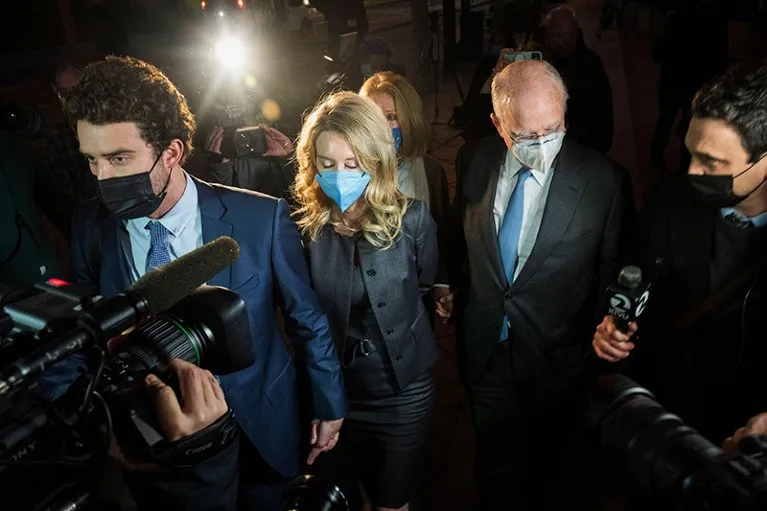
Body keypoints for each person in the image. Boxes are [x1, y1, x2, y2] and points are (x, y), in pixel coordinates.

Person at [48, 56, 347, 510]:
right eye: (91, 160)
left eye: (118, 158)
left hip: (257, 425)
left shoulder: (259, 218)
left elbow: (306, 319)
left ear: (171, 152)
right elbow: (85, 328)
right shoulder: (90, 224)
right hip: (155, 441)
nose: (101, 178)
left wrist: (329, 403)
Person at [450, 60, 635, 510]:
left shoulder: (604, 181)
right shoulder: (472, 160)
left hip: (558, 359)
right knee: (493, 467)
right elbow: (459, 240)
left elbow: (619, 268)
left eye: (553, 129)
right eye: (527, 136)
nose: (543, 145)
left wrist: (614, 319)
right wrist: (447, 288)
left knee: (554, 472)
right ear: (498, 124)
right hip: (486, 350)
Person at [593, 65, 767, 447]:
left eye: (711, 162)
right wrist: (614, 317)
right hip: (665, 410)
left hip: (740, 432)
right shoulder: (668, 199)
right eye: (689, 152)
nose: (691, 172)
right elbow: (634, 268)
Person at [292, 92, 438, 511]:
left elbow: (424, 287)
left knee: (392, 502)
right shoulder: (300, 229)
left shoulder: (413, 219)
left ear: (375, 160)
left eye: (352, 164)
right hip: (333, 393)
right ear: (312, 164)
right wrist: (324, 398)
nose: (339, 174)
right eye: (327, 164)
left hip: (403, 392)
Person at [359, 71, 452, 322]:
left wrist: (440, 285)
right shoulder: (347, 170)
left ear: (409, 120)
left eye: (391, 117)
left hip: (415, 298)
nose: (381, 127)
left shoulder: (431, 171)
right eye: (373, 117)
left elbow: (441, 231)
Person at [543, 6, 614, 154]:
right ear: (548, 36)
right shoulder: (540, 65)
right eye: (559, 35)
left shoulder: (591, 64)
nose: (566, 40)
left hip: (585, 150)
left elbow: (604, 109)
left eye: (570, 34)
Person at [46, 61, 99, 207]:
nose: (75, 98)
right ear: (56, 91)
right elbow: (67, 197)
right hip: (95, 222)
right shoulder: (59, 140)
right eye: (66, 93)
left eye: (79, 89)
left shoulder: (114, 121)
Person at [202, 124, 297, 201]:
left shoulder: (280, 141)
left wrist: (291, 158)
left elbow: (309, 187)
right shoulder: (226, 149)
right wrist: (219, 164)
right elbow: (224, 199)